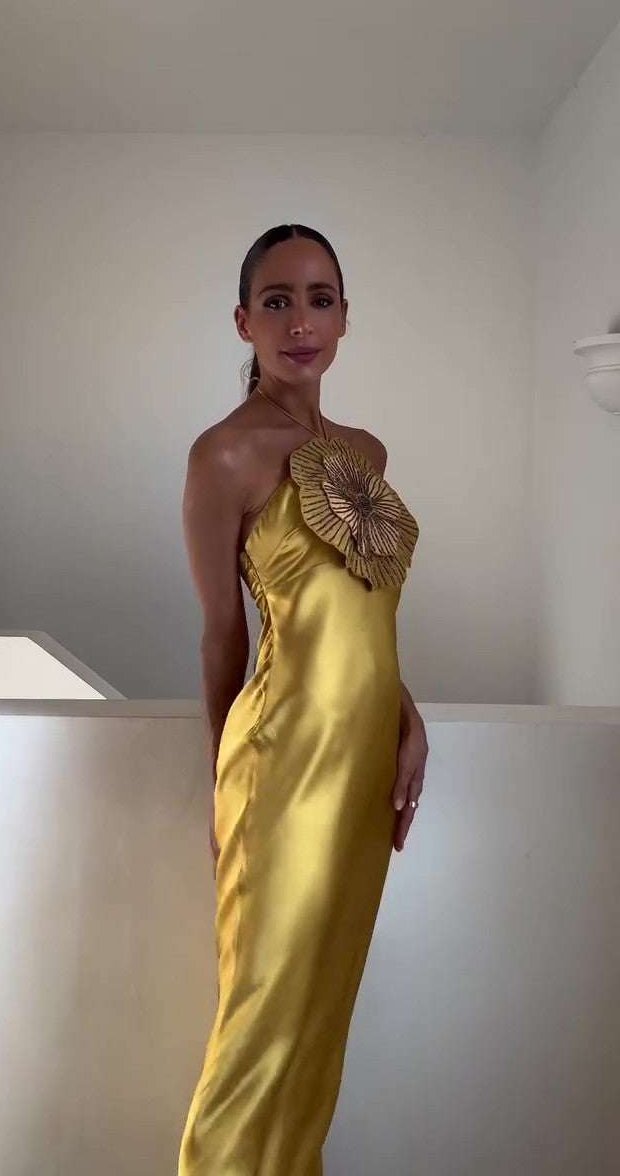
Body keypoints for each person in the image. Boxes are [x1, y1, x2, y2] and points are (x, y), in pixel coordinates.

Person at [179, 224, 428, 1175]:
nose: (300, 322)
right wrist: (221, 785)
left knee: (322, 1018)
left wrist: (404, 714)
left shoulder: (367, 451)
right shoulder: (223, 455)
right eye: (276, 301)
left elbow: (359, 617)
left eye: (319, 299)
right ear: (243, 322)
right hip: (279, 765)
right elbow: (222, 635)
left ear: (345, 318)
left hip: (363, 765)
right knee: (261, 1025)